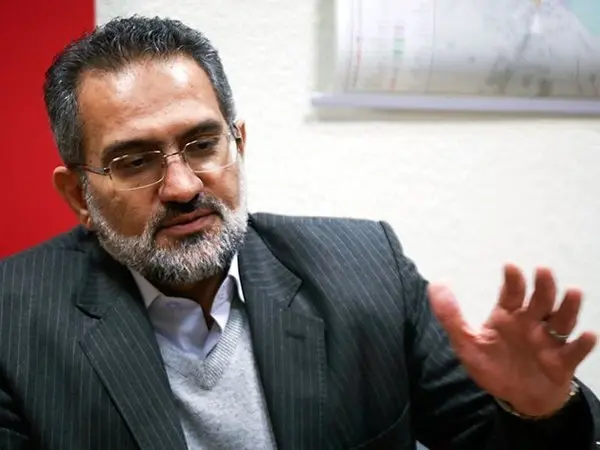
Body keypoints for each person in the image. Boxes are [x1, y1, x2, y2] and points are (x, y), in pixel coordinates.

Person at [0, 16, 598, 450]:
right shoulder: (12, 324)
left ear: (238, 143)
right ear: (78, 195)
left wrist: (539, 410)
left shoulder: (366, 270)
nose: (182, 186)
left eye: (202, 144)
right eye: (135, 161)